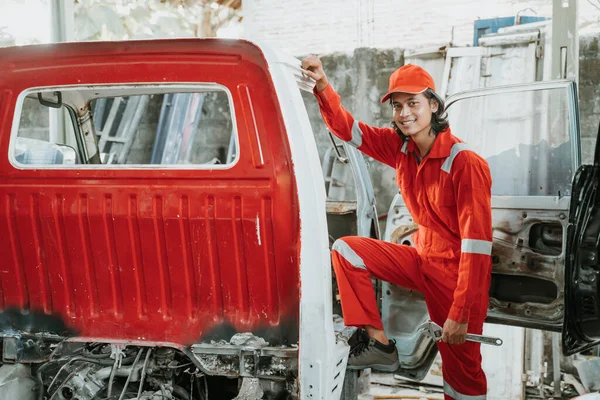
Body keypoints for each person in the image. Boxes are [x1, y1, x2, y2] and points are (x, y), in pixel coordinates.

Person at [302, 56, 493, 399]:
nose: (404, 113)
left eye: (413, 103)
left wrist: (461, 314)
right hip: (421, 259)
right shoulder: (401, 149)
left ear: (434, 105)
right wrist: (321, 86)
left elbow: (476, 247)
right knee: (345, 249)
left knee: (461, 370)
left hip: (455, 279)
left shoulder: (465, 163)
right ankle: (379, 343)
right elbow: (349, 129)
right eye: (397, 105)